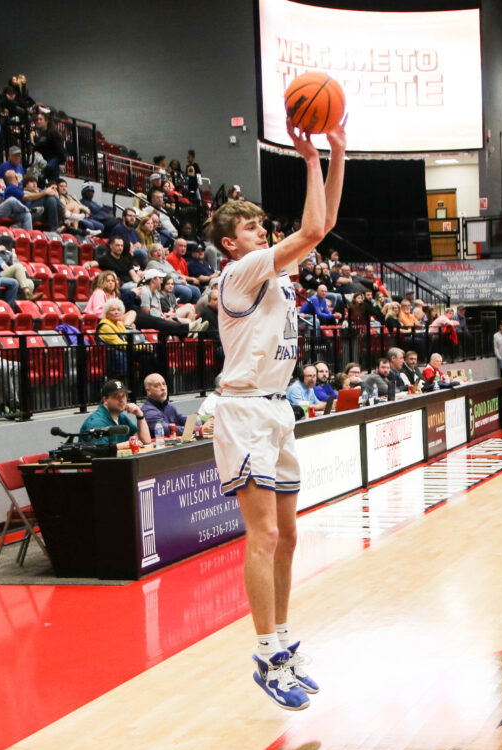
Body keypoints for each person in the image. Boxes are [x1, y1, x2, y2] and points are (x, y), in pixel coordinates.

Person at [208, 115, 345, 711]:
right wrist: (310, 159)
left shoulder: (272, 267)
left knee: (288, 535)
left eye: (262, 223)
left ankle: (285, 643)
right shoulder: (238, 273)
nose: (262, 230)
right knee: (262, 534)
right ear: (229, 244)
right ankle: (265, 653)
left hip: (276, 409)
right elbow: (313, 229)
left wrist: (338, 155)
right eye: (251, 225)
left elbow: (324, 224)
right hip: (241, 412)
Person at [80, 379, 151, 450]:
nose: (121, 400)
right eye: (116, 396)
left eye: (123, 396)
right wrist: (124, 445)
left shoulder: (121, 417)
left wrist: (140, 415)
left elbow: (146, 441)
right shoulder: (96, 421)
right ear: (105, 400)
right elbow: (100, 451)